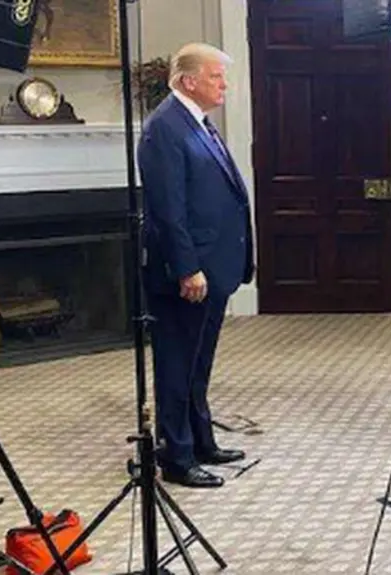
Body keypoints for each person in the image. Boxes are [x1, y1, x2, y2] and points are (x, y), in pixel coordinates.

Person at [137, 42, 254, 489]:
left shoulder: (197, 122)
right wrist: (187, 268)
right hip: (187, 274)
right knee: (176, 364)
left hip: (213, 267)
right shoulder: (163, 128)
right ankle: (177, 457)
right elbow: (169, 209)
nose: (224, 85)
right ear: (188, 81)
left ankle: (201, 441)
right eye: (215, 77)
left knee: (198, 363)